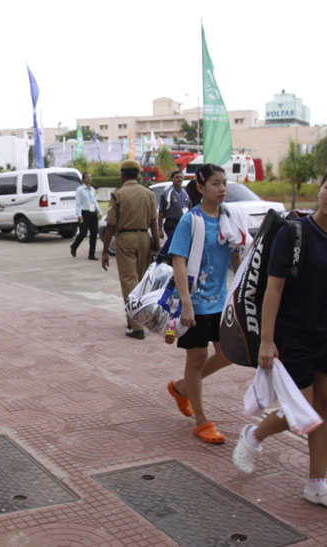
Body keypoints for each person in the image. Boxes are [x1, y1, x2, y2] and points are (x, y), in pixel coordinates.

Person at [231, 164, 327, 516]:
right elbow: (274, 288)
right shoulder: (294, 232)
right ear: (320, 188)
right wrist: (266, 341)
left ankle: (317, 485)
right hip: (290, 335)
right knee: (306, 408)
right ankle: (253, 436)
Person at [165, 164, 242, 444]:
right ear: (200, 188)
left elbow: (235, 257)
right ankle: (201, 421)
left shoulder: (230, 218)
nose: (222, 189)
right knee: (196, 358)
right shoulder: (191, 220)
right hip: (196, 302)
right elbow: (179, 261)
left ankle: (183, 387)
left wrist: (243, 284)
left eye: (224, 183)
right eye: (215, 183)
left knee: (228, 354)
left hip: (221, 302)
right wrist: (186, 302)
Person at [101, 159, 161, 339]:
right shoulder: (148, 193)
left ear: (123, 175)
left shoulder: (118, 194)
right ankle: (138, 319)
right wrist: (159, 248)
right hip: (144, 237)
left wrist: (104, 251)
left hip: (125, 238)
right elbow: (153, 222)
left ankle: (136, 327)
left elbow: (110, 225)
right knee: (142, 282)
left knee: (129, 281)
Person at [70, 172, 103, 260]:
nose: (90, 179)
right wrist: (79, 214)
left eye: (90, 177)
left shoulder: (92, 189)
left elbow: (94, 202)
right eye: (88, 177)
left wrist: (99, 212)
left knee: (94, 233)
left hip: (93, 213)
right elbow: (78, 203)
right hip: (84, 213)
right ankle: (74, 246)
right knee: (83, 233)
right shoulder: (80, 189)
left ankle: (91, 254)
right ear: (83, 179)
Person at [157, 170, 191, 241]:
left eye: (181, 177)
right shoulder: (167, 193)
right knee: (174, 243)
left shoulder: (185, 193)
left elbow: (189, 207)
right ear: (172, 179)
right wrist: (160, 229)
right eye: (177, 177)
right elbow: (161, 212)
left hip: (183, 223)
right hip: (172, 223)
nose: (179, 179)